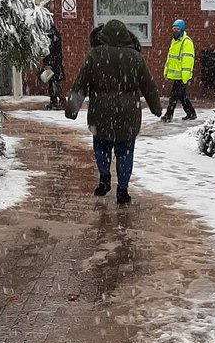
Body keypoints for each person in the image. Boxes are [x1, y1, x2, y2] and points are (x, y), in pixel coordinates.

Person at [65, 19, 161, 205]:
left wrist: (72, 109)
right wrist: (156, 107)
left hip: (101, 113)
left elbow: (80, 84)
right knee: (125, 151)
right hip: (128, 114)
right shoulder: (135, 57)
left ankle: (104, 179)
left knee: (101, 147)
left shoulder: (95, 55)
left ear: (103, 35)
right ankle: (123, 190)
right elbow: (148, 85)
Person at [161, 18, 197, 121]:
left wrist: (185, 76)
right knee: (181, 96)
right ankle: (191, 113)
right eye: (174, 29)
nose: (175, 31)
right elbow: (170, 57)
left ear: (181, 30)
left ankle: (169, 115)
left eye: (177, 29)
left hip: (182, 75)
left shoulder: (186, 42)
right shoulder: (175, 41)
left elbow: (187, 60)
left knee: (174, 96)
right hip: (177, 75)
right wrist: (166, 70)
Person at [42, 22, 65, 109]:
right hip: (56, 63)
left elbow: (49, 52)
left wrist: (48, 63)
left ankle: (57, 102)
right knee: (55, 83)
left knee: (53, 84)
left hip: (53, 64)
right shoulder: (55, 35)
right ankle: (59, 102)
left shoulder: (51, 36)